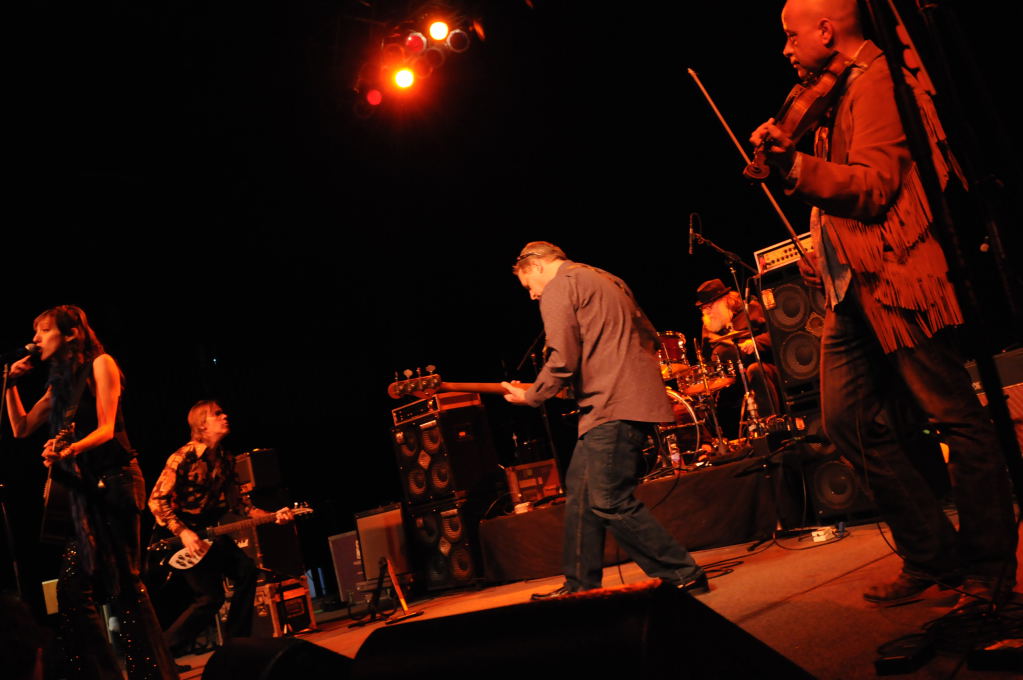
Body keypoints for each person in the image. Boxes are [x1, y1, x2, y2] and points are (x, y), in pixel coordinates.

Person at [750, 0, 1017, 608]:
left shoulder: (875, 83)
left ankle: (989, 567)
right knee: (845, 423)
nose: (786, 49)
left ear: (826, 29)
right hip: (849, 287)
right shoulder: (835, 89)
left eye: (791, 36)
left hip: (895, 278)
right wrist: (821, 239)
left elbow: (873, 188)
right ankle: (932, 555)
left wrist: (794, 164)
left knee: (956, 418)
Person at [501, 241, 707, 598]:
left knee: (608, 499)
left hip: (612, 406)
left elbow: (562, 358)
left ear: (537, 267)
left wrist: (532, 395)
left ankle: (682, 573)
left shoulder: (559, 287)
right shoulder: (607, 279)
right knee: (582, 496)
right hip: (624, 400)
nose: (532, 295)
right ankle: (579, 586)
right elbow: (644, 336)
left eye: (528, 285)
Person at [4, 305, 178, 679]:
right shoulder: (60, 385)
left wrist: (66, 450)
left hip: (117, 481)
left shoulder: (101, 364)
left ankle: (156, 673)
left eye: (44, 330)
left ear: (71, 334)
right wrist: (9, 382)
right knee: (71, 590)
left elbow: (106, 428)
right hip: (85, 491)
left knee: (127, 584)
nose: (35, 339)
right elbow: (21, 427)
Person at [148, 401, 293, 656]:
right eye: (217, 414)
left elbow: (240, 504)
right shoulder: (183, 457)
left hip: (208, 533)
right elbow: (156, 500)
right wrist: (183, 532)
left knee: (246, 571)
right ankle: (163, 653)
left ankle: (236, 645)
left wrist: (273, 517)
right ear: (202, 424)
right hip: (178, 535)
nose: (225, 416)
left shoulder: (225, 459)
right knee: (210, 598)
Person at [695, 278, 780, 428]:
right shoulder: (708, 326)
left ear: (725, 300)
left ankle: (771, 424)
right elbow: (706, 360)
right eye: (703, 308)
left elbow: (777, 334)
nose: (706, 312)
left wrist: (755, 343)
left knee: (755, 370)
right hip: (730, 382)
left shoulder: (751, 309)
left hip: (764, 368)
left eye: (709, 306)